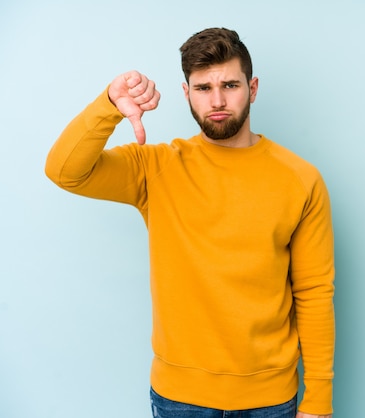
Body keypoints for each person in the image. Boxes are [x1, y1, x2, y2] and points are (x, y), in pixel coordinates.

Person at [45, 28, 335, 418]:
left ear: (253, 88)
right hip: (180, 399)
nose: (217, 100)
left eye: (230, 85)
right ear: (186, 94)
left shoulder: (300, 179)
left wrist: (318, 400)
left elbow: (314, 293)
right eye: (202, 88)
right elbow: (65, 171)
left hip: (270, 400)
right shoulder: (157, 168)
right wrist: (110, 104)